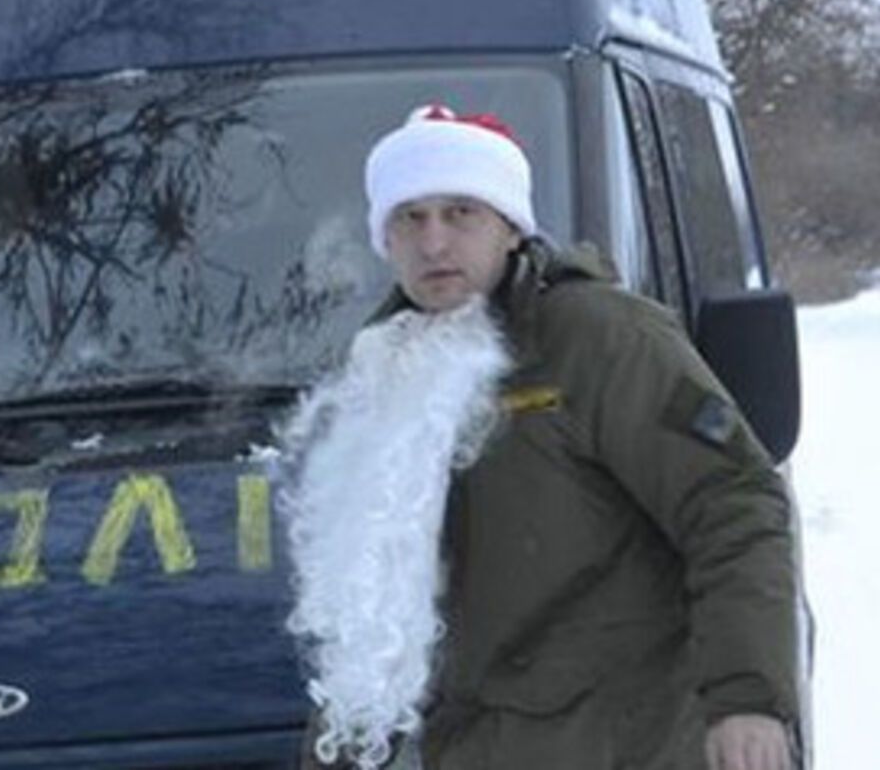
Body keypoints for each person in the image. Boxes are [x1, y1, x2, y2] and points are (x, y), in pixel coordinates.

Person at [281, 105, 801, 770]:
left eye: (460, 212)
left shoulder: (601, 337)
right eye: (410, 218)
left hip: (624, 745)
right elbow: (369, 610)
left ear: (508, 225)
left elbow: (734, 504)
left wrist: (747, 698)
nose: (434, 242)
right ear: (386, 238)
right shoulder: (382, 370)